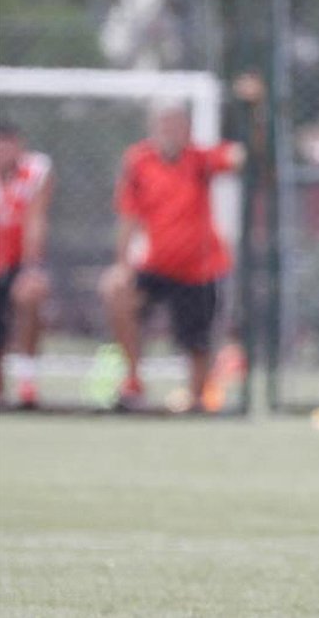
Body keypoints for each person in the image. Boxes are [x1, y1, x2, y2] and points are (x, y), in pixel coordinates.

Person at [99, 101, 245, 412]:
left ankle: (197, 397)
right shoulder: (138, 162)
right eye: (164, 124)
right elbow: (128, 218)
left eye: (177, 125)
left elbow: (240, 158)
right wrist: (122, 266)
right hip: (157, 265)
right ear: (153, 128)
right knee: (115, 290)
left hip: (200, 268)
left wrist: (251, 109)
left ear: (188, 129)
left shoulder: (201, 159)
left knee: (197, 341)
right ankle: (134, 382)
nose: (171, 132)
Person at [0, 122, 54, 409]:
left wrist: (32, 268)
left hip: (19, 262)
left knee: (30, 294)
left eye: (8, 144)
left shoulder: (36, 170)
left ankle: (27, 380)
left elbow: (36, 220)